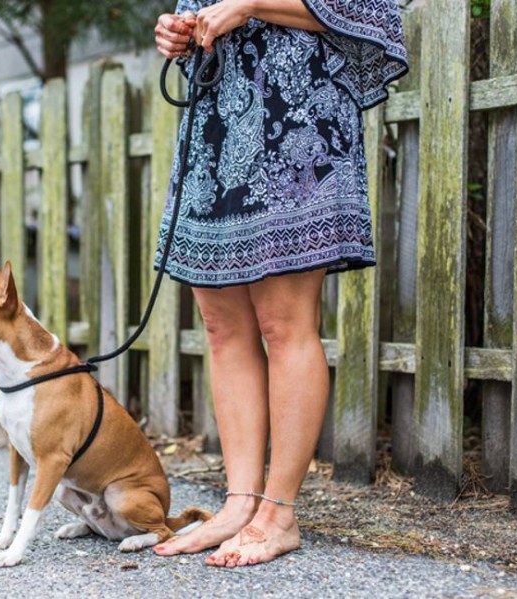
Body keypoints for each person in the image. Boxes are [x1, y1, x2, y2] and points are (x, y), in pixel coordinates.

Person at [151, 0, 408, 567]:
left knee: (284, 323)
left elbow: (375, 12)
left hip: (297, 115)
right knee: (222, 325)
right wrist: (178, 32)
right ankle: (240, 503)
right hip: (217, 116)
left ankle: (279, 513)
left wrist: (247, 6)